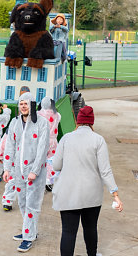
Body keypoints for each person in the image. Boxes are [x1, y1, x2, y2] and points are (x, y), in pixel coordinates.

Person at [52, 106, 123, 256]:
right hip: (91, 194)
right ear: (92, 122)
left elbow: (56, 165)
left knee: (68, 232)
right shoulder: (99, 140)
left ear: (77, 122)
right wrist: (115, 194)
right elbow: (105, 170)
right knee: (90, 228)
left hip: (68, 193)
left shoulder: (66, 138)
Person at [3, 92, 50, 253]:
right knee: (22, 202)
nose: (23, 106)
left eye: (26, 103)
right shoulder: (15, 122)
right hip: (18, 171)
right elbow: (9, 145)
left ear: (32, 105)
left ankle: (28, 237)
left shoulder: (42, 123)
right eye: (21, 103)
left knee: (32, 205)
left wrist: (35, 170)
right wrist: (7, 168)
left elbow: (43, 149)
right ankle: (29, 230)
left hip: (34, 172)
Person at [37, 97, 61, 191]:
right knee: (51, 161)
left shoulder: (39, 114)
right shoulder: (57, 115)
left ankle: (41, 179)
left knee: (40, 160)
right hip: (53, 141)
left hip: (42, 140)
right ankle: (49, 180)